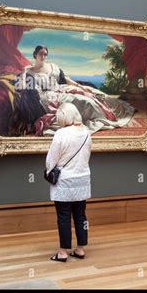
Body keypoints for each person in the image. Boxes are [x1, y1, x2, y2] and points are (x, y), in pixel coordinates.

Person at [14, 45, 134, 136]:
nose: (43, 57)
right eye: (41, 54)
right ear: (35, 55)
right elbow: (21, 87)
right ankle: (102, 117)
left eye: (45, 54)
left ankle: (108, 114)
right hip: (50, 97)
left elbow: (66, 79)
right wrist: (25, 70)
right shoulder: (29, 72)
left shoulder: (53, 67)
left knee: (91, 94)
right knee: (84, 101)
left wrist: (79, 86)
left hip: (62, 89)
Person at [46, 103, 92, 262]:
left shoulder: (61, 133)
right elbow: (87, 156)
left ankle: (63, 252)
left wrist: (49, 171)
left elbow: (51, 160)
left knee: (64, 216)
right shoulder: (86, 133)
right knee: (81, 215)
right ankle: (80, 249)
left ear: (64, 116)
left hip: (65, 182)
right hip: (82, 179)